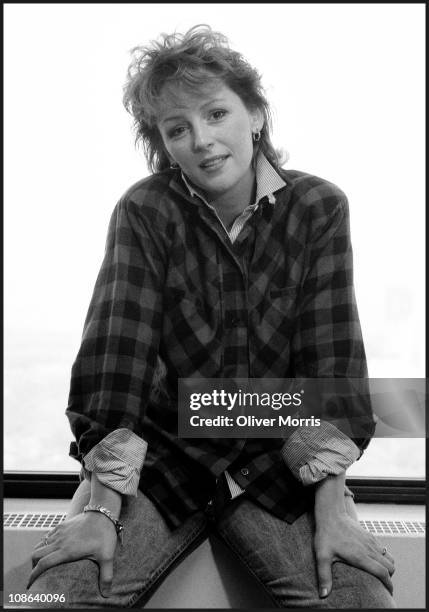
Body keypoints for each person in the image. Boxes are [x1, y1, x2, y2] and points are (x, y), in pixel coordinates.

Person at [27, 25, 396, 608]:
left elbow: (332, 362)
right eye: (178, 129)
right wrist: (99, 506)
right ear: (164, 143)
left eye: (216, 113)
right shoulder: (144, 210)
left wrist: (333, 506)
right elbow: (115, 361)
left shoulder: (320, 207)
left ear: (255, 114)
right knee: (48, 597)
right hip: (163, 464)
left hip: (276, 464)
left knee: (360, 597)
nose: (201, 140)